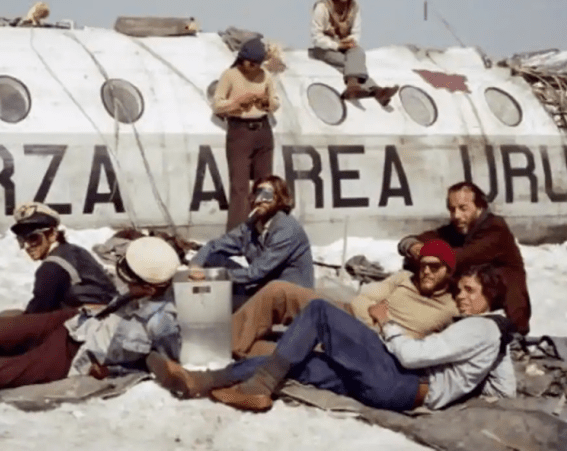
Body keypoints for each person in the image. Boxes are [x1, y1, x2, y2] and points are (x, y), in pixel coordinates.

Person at [148, 263, 517, 413]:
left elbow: (414, 357)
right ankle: (202, 381)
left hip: (401, 380)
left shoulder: (478, 327)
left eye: (470, 291)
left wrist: (388, 325)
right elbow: (506, 389)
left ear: (491, 296)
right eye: (463, 290)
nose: (462, 297)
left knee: (321, 313)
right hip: (395, 388)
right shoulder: (496, 334)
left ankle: (258, 386)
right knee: (299, 361)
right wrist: (472, 392)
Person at [0, 237, 182, 390]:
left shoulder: (162, 321)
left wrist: (114, 371)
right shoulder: (140, 290)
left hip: (75, 351)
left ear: (149, 285)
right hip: (78, 321)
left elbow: (157, 362)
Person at [231, 238, 459, 359]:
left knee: (293, 349)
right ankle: (224, 345)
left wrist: (381, 322)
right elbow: (362, 299)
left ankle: (238, 348)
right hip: (348, 313)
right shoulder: (404, 278)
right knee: (279, 291)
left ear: (448, 271)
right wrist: (376, 320)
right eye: (423, 265)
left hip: (367, 344)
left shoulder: (450, 309)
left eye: (435, 266)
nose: (426, 272)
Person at [0, 201, 118, 350]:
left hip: (85, 326)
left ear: (53, 234)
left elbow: (37, 314)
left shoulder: (52, 267)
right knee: (8, 316)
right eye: (22, 240)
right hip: (102, 320)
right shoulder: (74, 251)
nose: (27, 247)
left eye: (34, 238)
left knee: (1, 326)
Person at [398, 181, 532, 335]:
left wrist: (424, 255)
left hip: (507, 319)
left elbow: (458, 258)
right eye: (452, 209)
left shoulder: (495, 229)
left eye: (463, 208)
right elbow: (409, 241)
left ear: (479, 208)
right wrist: (413, 246)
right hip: (474, 313)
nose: (456, 215)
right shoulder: (457, 229)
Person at [190, 175, 313, 310]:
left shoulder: (286, 228)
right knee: (213, 259)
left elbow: (257, 272)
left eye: (267, 195)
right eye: (257, 194)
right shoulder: (253, 224)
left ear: (280, 199)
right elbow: (216, 245)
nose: (259, 200)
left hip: (289, 297)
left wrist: (215, 277)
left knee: (225, 305)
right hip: (263, 287)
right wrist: (196, 264)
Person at [213, 37, 281, 231]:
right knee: (240, 187)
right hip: (239, 131)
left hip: (262, 130)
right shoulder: (230, 75)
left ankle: (261, 229)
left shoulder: (265, 75)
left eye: (258, 64)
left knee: (265, 185)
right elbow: (217, 104)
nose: (254, 68)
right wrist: (236, 103)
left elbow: (275, 101)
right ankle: (236, 233)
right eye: (251, 63)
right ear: (242, 59)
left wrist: (266, 103)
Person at [309, 0, 399, 106]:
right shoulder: (322, 7)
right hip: (325, 48)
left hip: (345, 47)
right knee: (351, 64)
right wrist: (337, 46)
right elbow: (316, 37)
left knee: (358, 52)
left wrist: (349, 42)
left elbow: (356, 32)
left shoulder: (354, 8)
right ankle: (375, 90)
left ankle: (356, 88)